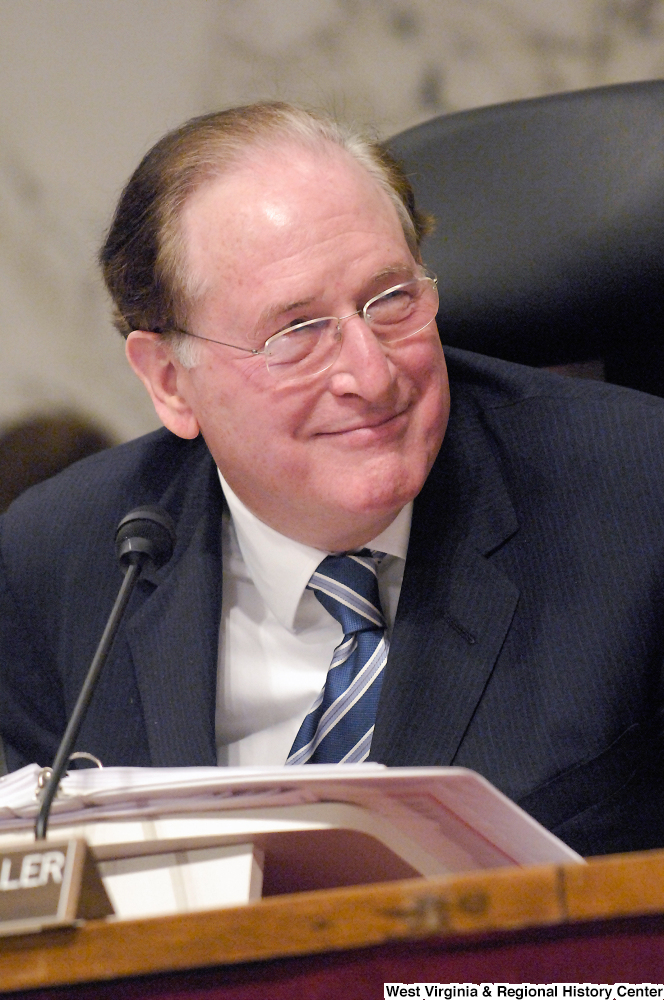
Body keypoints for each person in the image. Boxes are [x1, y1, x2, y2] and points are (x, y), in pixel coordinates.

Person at [1, 102, 663, 858]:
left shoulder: (637, 495)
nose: (371, 374)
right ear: (170, 382)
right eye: (297, 332)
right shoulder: (61, 565)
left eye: (391, 301)